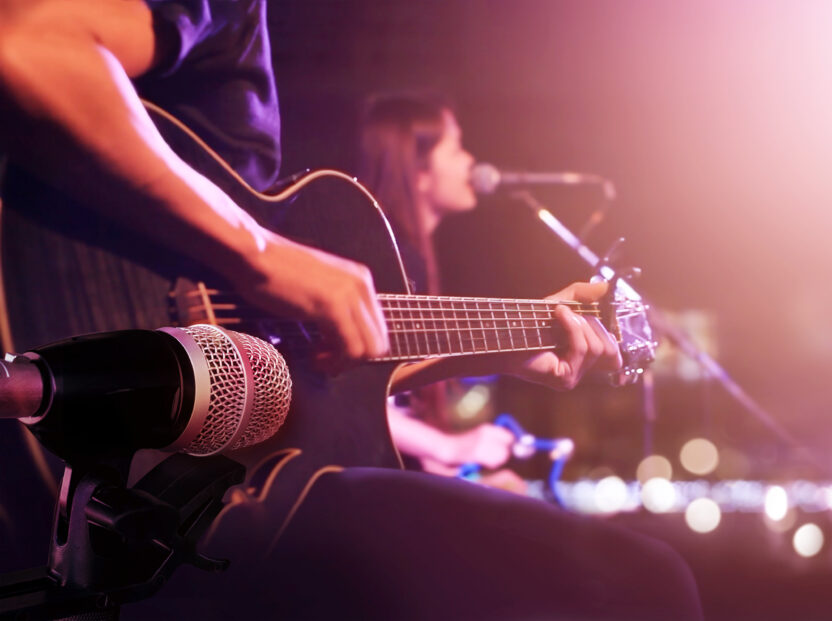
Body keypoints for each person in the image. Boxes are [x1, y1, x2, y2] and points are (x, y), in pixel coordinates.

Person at [0, 2, 702, 618]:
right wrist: (265, 254)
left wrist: (509, 342)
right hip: (150, 463)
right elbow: (30, 45)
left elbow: (319, 369)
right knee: (643, 580)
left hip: (165, 498)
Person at [358, 92, 523, 491]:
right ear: (418, 173)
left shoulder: (405, 255)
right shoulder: (381, 257)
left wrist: (443, 469)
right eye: (456, 148)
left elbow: (390, 401)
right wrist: (450, 448)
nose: (471, 161)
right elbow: (354, 395)